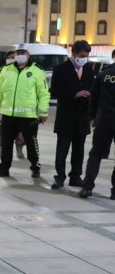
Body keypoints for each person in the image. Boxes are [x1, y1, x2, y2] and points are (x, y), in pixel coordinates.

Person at [0, 45, 49, 179]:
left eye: (23, 52)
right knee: (6, 144)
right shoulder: (6, 70)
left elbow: (44, 94)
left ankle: (35, 167)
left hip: (28, 116)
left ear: (29, 54)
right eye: (18, 52)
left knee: (31, 144)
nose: (20, 55)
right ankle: (4, 169)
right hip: (8, 116)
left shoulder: (37, 71)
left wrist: (43, 112)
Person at [50, 40, 95, 189]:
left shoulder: (88, 69)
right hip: (66, 116)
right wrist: (74, 94)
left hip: (82, 117)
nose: (84, 58)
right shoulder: (61, 69)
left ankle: (75, 176)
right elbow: (55, 91)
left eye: (86, 56)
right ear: (73, 53)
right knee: (62, 149)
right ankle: (60, 177)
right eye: (82, 55)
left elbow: (92, 88)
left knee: (79, 150)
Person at [79, 57, 115, 199]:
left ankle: (87, 187)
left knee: (96, 154)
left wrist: (93, 117)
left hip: (104, 120)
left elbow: (94, 98)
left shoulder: (104, 74)